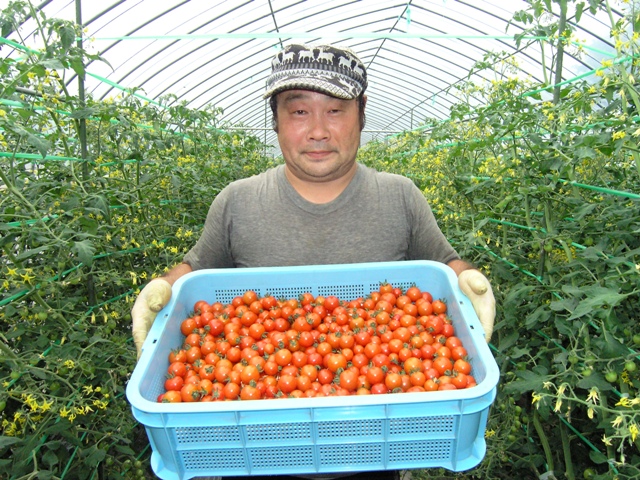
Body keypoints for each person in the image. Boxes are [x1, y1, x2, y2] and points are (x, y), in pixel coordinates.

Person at [131, 43, 496, 480]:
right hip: (254, 452)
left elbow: (445, 262)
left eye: (336, 110)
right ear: (276, 122)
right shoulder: (237, 201)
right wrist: (161, 290)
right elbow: (193, 269)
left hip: (374, 449)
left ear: (362, 114)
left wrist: (470, 279)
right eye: (299, 112)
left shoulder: (400, 196)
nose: (318, 131)